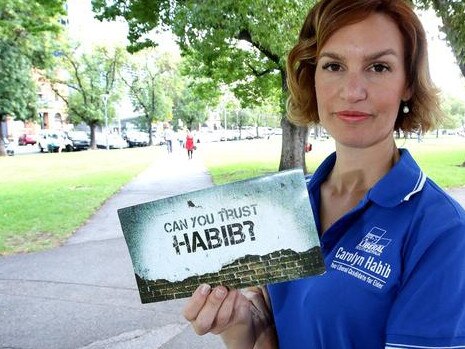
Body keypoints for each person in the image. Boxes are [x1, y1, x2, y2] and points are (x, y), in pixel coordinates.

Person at [182, 0, 465, 348]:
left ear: (407, 83)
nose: (352, 91)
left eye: (378, 67)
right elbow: (266, 330)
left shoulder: (443, 232)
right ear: (312, 75)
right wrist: (241, 325)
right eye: (334, 66)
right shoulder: (286, 204)